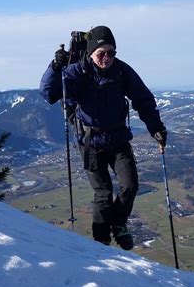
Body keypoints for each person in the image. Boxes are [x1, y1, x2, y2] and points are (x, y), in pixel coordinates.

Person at [40, 26, 167, 250]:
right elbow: (49, 92)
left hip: (118, 138)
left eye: (111, 52)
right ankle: (101, 242)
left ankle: (118, 223)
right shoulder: (76, 73)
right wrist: (55, 67)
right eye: (101, 53)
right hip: (90, 142)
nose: (107, 58)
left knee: (130, 185)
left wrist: (155, 127)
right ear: (90, 53)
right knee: (103, 193)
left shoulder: (121, 71)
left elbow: (143, 99)